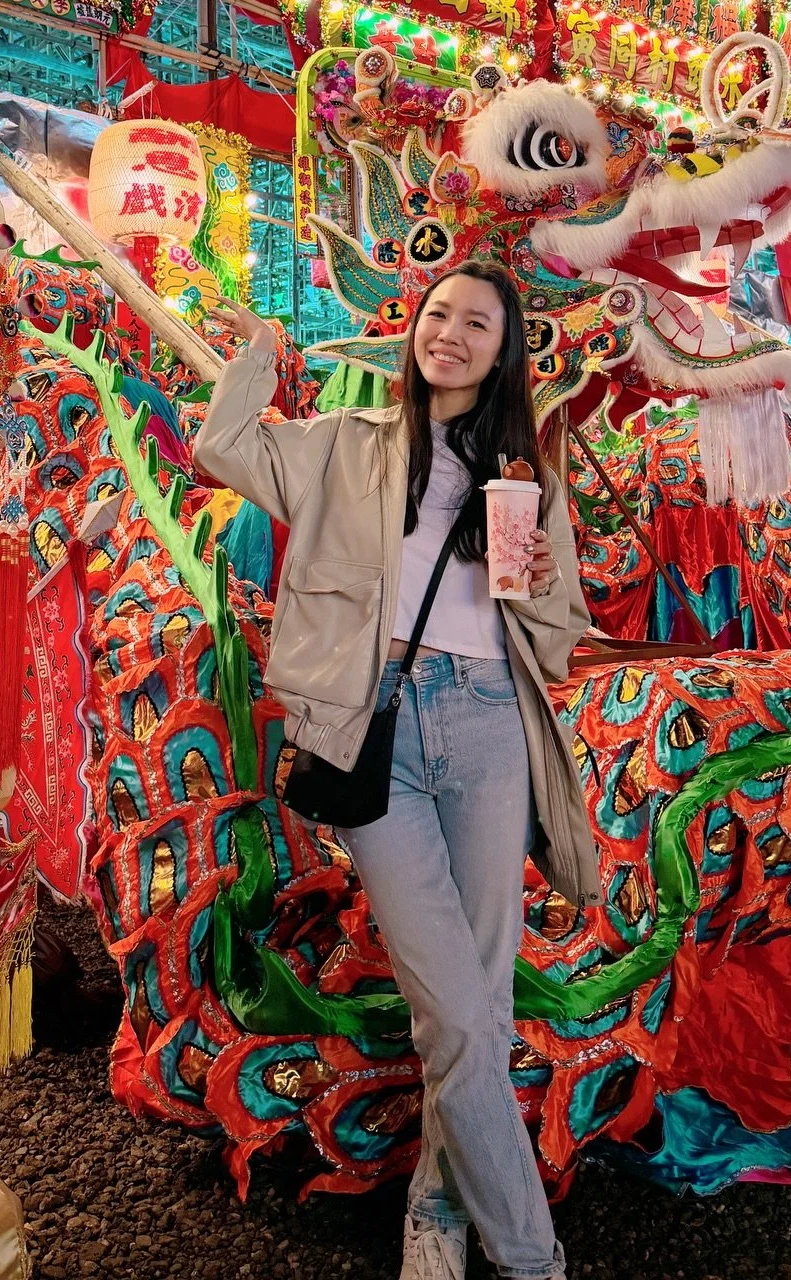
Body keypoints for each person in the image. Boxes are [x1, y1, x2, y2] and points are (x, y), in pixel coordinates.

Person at [197, 260, 602, 1280]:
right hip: (377, 728)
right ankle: (531, 1256)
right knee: (455, 1009)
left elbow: (556, 645)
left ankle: (436, 1207)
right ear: (411, 332)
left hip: (490, 724)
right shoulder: (344, 444)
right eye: (437, 315)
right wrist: (257, 354)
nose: (450, 334)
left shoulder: (523, 477)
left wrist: (545, 583)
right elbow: (223, 446)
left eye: (476, 324)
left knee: (483, 1005)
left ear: (503, 352)